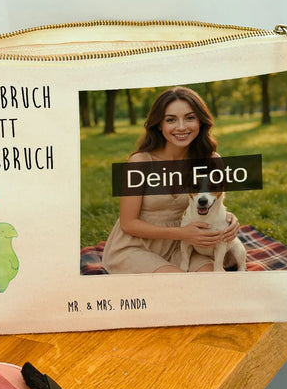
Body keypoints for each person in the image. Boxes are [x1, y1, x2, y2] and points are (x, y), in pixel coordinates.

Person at [101, 86, 239, 274]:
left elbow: (216, 201)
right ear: (159, 124)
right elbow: (128, 223)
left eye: (189, 118)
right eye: (171, 120)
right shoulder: (140, 162)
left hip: (181, 246)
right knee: (178, 284)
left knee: (213, 280)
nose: (181, 127)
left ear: (200, 121)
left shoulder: (211, 160)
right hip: (135, 246)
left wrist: (230, 220)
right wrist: (182, 233)